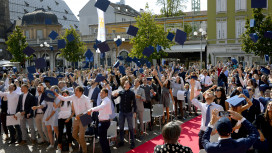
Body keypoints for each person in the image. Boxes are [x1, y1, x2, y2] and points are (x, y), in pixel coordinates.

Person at [55, 86, 92, 153]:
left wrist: (81, 115)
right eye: (74, 90)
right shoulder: (73, 96)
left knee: (81, 136)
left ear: (80, 92)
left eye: (76, 90)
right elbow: (64, 98)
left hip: (85, 117)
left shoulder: (86, 99)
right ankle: (83, 145)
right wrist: (56, 94)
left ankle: (84, 150)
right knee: (74, 135)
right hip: (77, 117)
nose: (74, 92)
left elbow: (89, 110)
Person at [190, 80, 224, 150]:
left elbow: (224, 119)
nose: (208, 93)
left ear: (214, 97)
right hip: (203, 132)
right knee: (202, 150)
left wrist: (216, 130)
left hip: (214, 133)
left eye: (210, 93)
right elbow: (192, 98)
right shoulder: (202, 105)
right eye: (207, 93)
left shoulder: (219, 107)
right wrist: (193, 86)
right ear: (204, 96)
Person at [33, 86, 60, 150]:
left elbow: (55, 108)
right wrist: (36, 107)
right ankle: (52, 144)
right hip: (48, 112)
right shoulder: (46, 96)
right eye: (50, 90)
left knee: (56, 130)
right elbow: (43, 104)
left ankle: (59, 145)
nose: (50, 91)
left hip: (55, 113)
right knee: (48, 130)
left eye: (52, 90)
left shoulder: (58, 97)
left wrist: (49, 117)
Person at [113, 80, 137, 149]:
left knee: (130, 128)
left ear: (129, 85)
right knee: (121, 128)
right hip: (121, 112)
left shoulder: (132, 93)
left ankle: (132, 142)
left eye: (127, 83)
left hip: (129, 112)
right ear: (124, 85)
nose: (126, 84)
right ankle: (121, 141)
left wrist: (135, 112)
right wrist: (114, 95)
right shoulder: (121, 92)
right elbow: (114, 97)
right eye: (125, 83)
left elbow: (134, 103)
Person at [87, 88, 112, 153]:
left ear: (106, 94)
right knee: (104, 140)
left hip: (104, 122)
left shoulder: (106, 100)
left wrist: (91, 109)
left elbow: (101, 107)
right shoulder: (105, 100)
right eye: (100, 93)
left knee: (102, 140)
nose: (100, 94)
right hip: (103, 122)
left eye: (102, 93)